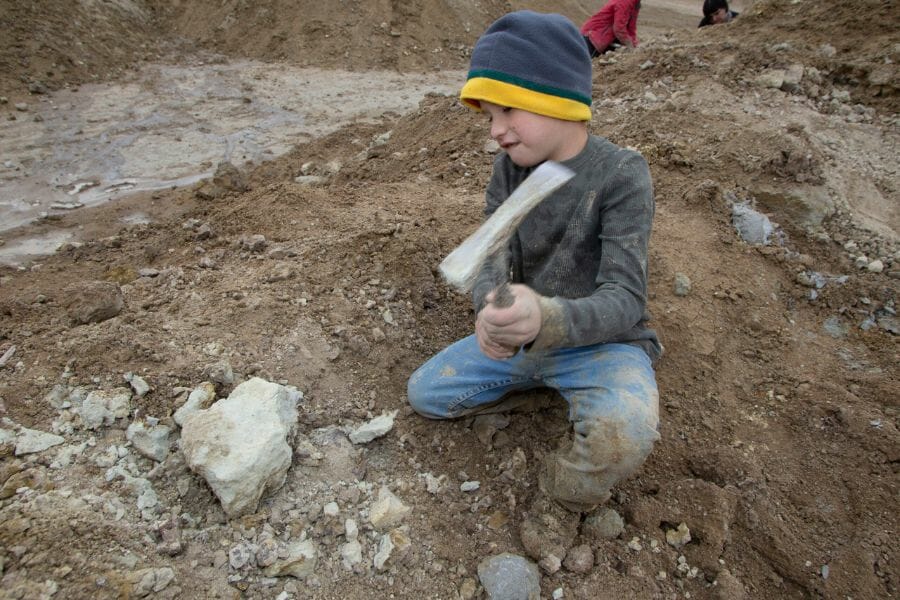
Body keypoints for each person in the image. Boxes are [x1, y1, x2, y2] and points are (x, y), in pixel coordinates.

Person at [407, 9, 661, 551]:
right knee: (426, 393)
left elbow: (626, 298)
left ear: (557, 99)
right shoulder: (511, 169)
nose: (496, 129)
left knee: (626, 432)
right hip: (521, 339)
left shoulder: (621, 175)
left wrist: (548, 318)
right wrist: (492, 311)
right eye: (489, 115)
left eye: (508, 110)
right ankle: (541, 388)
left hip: (601, 343)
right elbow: (493, 254)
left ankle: (563, 495)